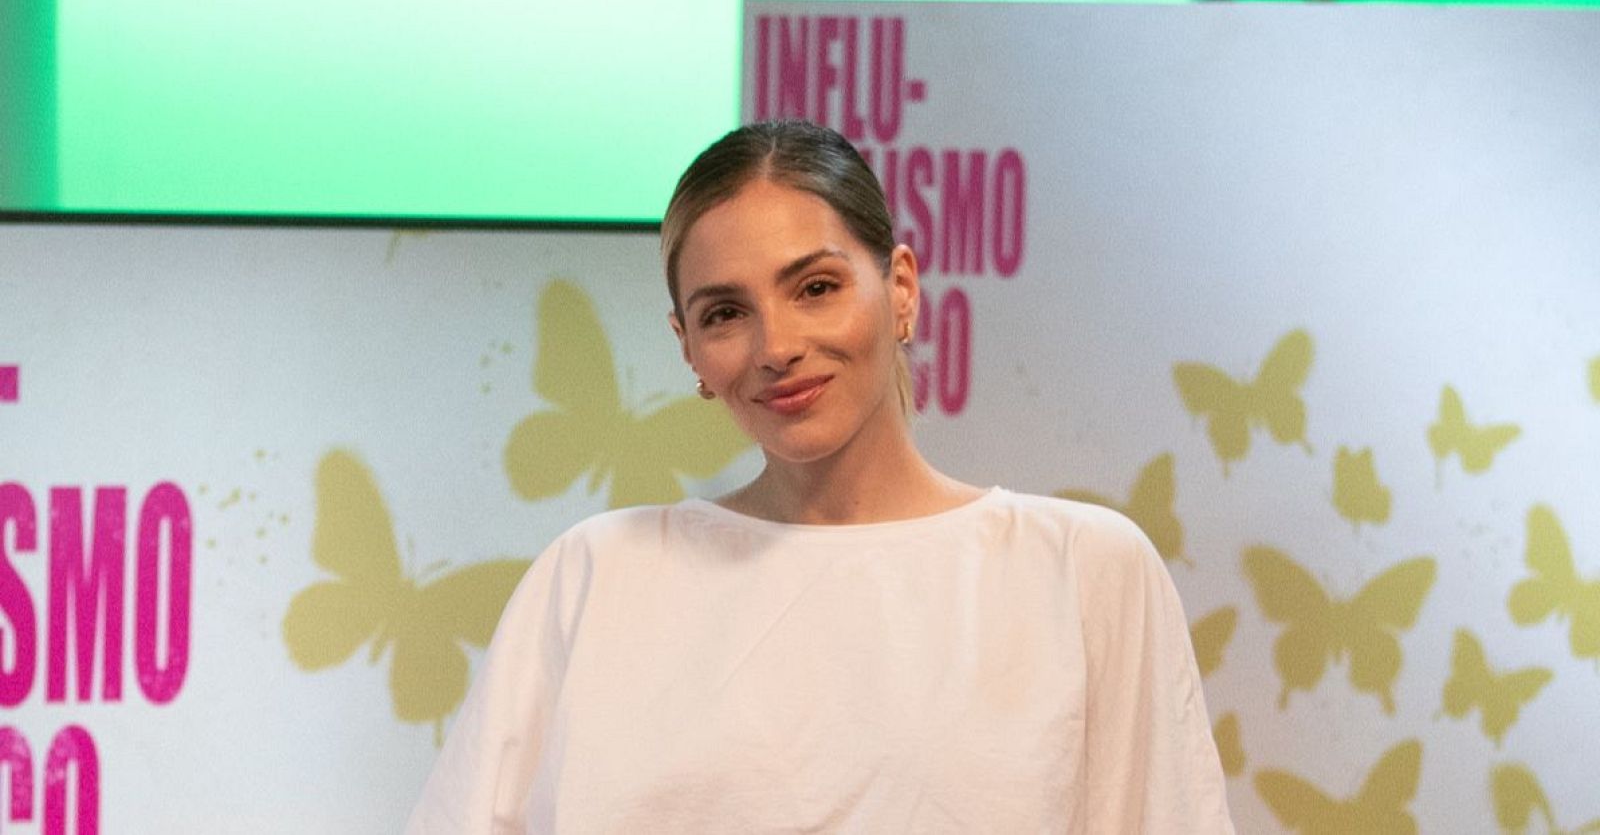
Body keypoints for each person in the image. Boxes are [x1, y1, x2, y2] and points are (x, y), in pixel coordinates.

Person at [406, 120, 1234, 833]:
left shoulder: (1079, 572)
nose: (776, 346)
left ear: (900, 289)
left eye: (816, 287)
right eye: (725, 312)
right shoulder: (594, 576)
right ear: (688, 346)